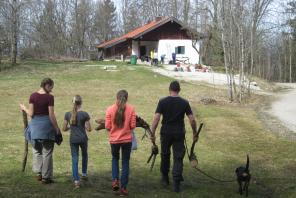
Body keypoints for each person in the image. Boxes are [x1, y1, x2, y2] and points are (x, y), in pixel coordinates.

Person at [150, 81, 198, 193]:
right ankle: (176, 183)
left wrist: (152, 133)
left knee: (165, 155)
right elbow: (192, 120)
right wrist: (195, 132)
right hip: (179, 133)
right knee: (178, 157)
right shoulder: (184, 103)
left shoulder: (162, 102)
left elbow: (156, 118)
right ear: (179, 90)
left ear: (169, 89)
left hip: (165, 132)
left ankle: (165, 178)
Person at [20, 78, 61, 184]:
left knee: (37, 151)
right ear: (47, 85)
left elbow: (31, 114)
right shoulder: (50, 97)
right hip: (46, 128)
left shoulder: (33, 96)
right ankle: (46, 177)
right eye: (51, 86)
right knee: (47, 152)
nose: (52, 89)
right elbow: (51, 115)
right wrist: (57, 128)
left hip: (34, 128)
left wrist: (24, 108)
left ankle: (39, 173)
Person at [105, 90, 136, 196]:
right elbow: (132, 126)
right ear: (127, 98)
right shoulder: (131, 109)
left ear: (116, 97)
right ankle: (123, 187)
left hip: (114, 140)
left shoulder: (109, 109)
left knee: (115, 159)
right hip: (127, 140)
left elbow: (108, 127)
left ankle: (115, 181)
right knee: (125, 162)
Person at [62, 95, 91, 188]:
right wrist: (83, 126)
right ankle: (84, 174)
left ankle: (76, 180)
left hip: (73, 139)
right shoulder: (85, 114)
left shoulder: (67, 114)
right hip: (83, 139)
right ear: (81, 103)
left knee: (75, 158)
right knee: (84, 155)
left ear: (72, 103)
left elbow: (64, 128)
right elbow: (89, 129)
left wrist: (71, 127)